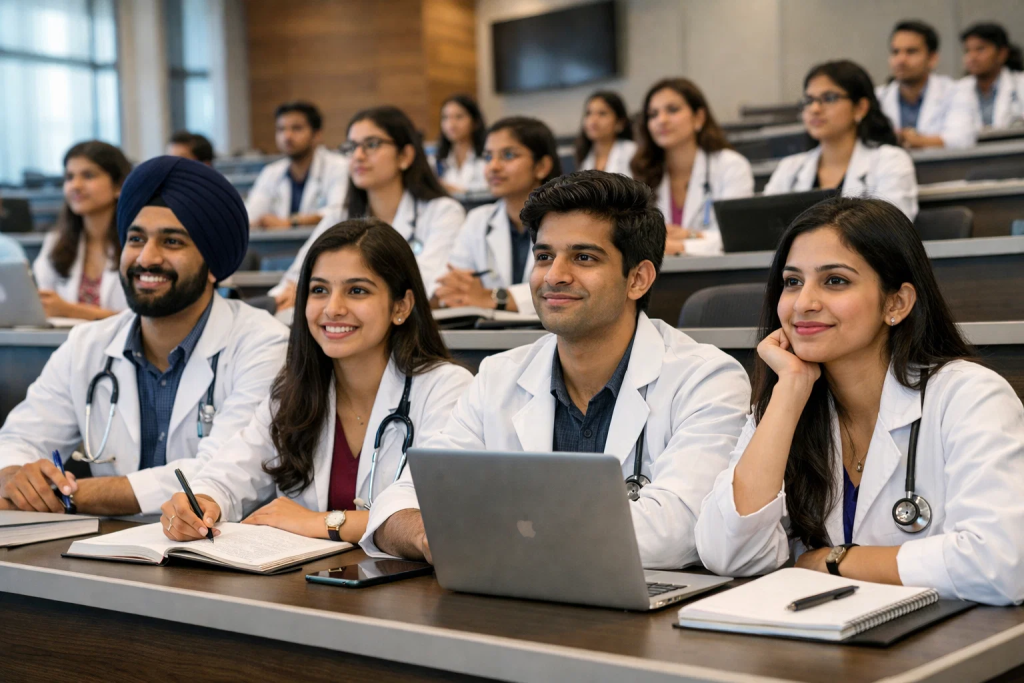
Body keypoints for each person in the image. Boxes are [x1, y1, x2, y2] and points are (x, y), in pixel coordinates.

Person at [362, 171, 751, 569]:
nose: (554, 276)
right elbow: (401, 501)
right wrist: (430, 537)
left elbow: (677, 533)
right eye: (544, 256)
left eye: (583, 257)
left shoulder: (706, 379)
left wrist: (476, 532)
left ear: (637, 279)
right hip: (509, 605)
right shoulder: (498, 378)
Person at [694, 197, 1024, 606]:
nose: (803, 303)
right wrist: (790, 390)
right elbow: (727, 553)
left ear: (896, 303)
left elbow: (999, 566)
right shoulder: (787, 402)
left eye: (835, 281)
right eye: (793, 281)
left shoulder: (969, 396)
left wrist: (833, 561)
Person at [0, 157, 288, 516]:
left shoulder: (264, 344)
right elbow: (19, 438)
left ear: (213, 265)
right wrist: (13, 475)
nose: (147, 258)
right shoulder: (87, 344)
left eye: (172, 242)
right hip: (103, 551)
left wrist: (66, 493)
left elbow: (219, 473)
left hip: (220, 556)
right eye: (136, 239)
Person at [158, 219, 472, 543]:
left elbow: (432, 520)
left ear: (401, 306)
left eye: (357, 290)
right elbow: (231, 471)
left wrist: (321, 522)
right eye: (319, 290)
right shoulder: (295, 391)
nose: (333, 309)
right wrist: (202, 502)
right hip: (308, 588)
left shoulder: (445, 389)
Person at [270, 106, 466, 311]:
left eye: (371, 144)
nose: (358, 155)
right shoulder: (339, 216)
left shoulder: (443, 213)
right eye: (352, 147)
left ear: (405, 155)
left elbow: (425, 286)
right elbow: (294, 280)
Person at [434, 116, 561, 313]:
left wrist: (491, 298)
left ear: (541, 166)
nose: (493, 166)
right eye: (487, 157)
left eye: (508, 155)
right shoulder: (479, 220)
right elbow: (454, 286)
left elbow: (562, 287)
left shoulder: (567, 221)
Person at [765, 60, 919, 221]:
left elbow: (892, 232)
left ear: (860, 108)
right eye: (809, 100)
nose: (815, 109)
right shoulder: (789, 169)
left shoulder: (890, 161)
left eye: (829, 98)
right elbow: (764, 228)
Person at [631, 78, 754, 257]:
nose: (661, 120)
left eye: (672, 110)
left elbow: (737, 238)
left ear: (699, 117)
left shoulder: (731, 166)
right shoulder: (641, 172)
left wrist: (683, 243)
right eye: (653, 114)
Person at [32, 141, 132, 321]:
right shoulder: (55, 243)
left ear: (118, 186)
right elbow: (44, 306)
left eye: (88, 175)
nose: (75, 185)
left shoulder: (139, 244)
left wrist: (71, 310)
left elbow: (147, 321)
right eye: (69, 177)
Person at [245, 101, 349, 230]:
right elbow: (250, 216)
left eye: (296, 128)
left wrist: (291, 222)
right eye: (281, 129)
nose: (287, 136)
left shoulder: (339, 167)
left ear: (317, 135)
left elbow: (339, 212)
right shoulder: (271, 172)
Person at [875, 20, 976, 149]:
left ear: (932, 58)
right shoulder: (877, 97)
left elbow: (961, 140)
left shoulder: (956, 92)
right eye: (895, 52)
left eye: (911, 52)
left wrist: (912, 140)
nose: (901, 60)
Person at [958, 23, 1024, 130]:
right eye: (967, 51)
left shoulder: (1020, 85)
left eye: (980, 49)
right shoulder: (957, 90)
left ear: (1002, 53)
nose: (972, 57)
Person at [433, 94, 488, 195]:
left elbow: (491, 190)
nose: (451, 124)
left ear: (475, 122)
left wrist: (456, 190)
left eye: (459, 117)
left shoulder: (487, 156)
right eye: (446, 118)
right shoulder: (436, 160)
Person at [574, 90, 636, 177]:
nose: (593, 120)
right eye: (589, 113)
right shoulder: (585, 158)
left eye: (602, 113)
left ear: (620, 123)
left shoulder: (633, 152)